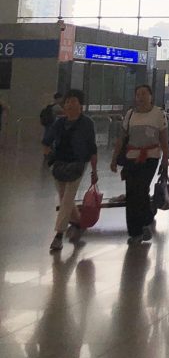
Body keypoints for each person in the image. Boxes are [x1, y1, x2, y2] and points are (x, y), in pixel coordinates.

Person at [110, 84, 169, 244]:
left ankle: (144, 221)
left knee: (141, 189)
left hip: (151, 157)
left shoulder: (158, 114)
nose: (141, 97)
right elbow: (121, 138)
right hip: (131, 157)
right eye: (138, 94)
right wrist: (114, 158)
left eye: (144, 94)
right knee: (131, 192)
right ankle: (135, 231)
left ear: (151, 96)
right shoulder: (130, 115)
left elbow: (164, 138)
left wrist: (166, 158)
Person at [42, 89, 98, 252]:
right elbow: (46, 142)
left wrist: (94, 170)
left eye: (74, 101)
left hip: (78, 164)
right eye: (67, 102)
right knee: (64, 197)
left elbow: (92, 148)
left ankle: (59, 235)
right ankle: (79, 222)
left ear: (81, 105)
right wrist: (50, 158)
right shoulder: (58, 123)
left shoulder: (87, 123)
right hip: (59, 164)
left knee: (67, 199)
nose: (70, 104)